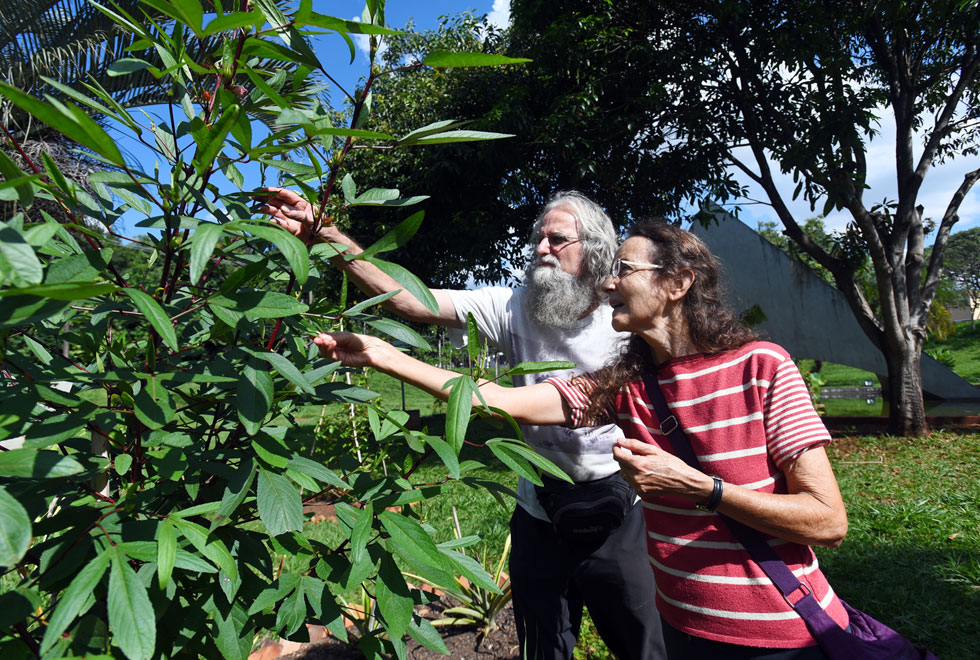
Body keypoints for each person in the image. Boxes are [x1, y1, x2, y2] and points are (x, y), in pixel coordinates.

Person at [313, 218, 850, 659]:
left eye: (624, 269)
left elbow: (827, 521)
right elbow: (492, 399)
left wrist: (701, 489)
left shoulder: (761, 367)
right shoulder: (625, 386)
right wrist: (384, 355)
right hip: (685, 625)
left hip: (779, 633)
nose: (611, 282)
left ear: (678, 283)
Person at [259, 188, 667, 660]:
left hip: (619, 511)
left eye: (556, 239)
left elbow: (511, 402)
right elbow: (413, 301)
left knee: (643, 644)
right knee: (544, 648)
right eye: (538, 237)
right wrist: (325, 234)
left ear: (594, 249)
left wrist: (389, 358)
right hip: (539, 512)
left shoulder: (626, 317)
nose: (540, 248)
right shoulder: (513, 306)